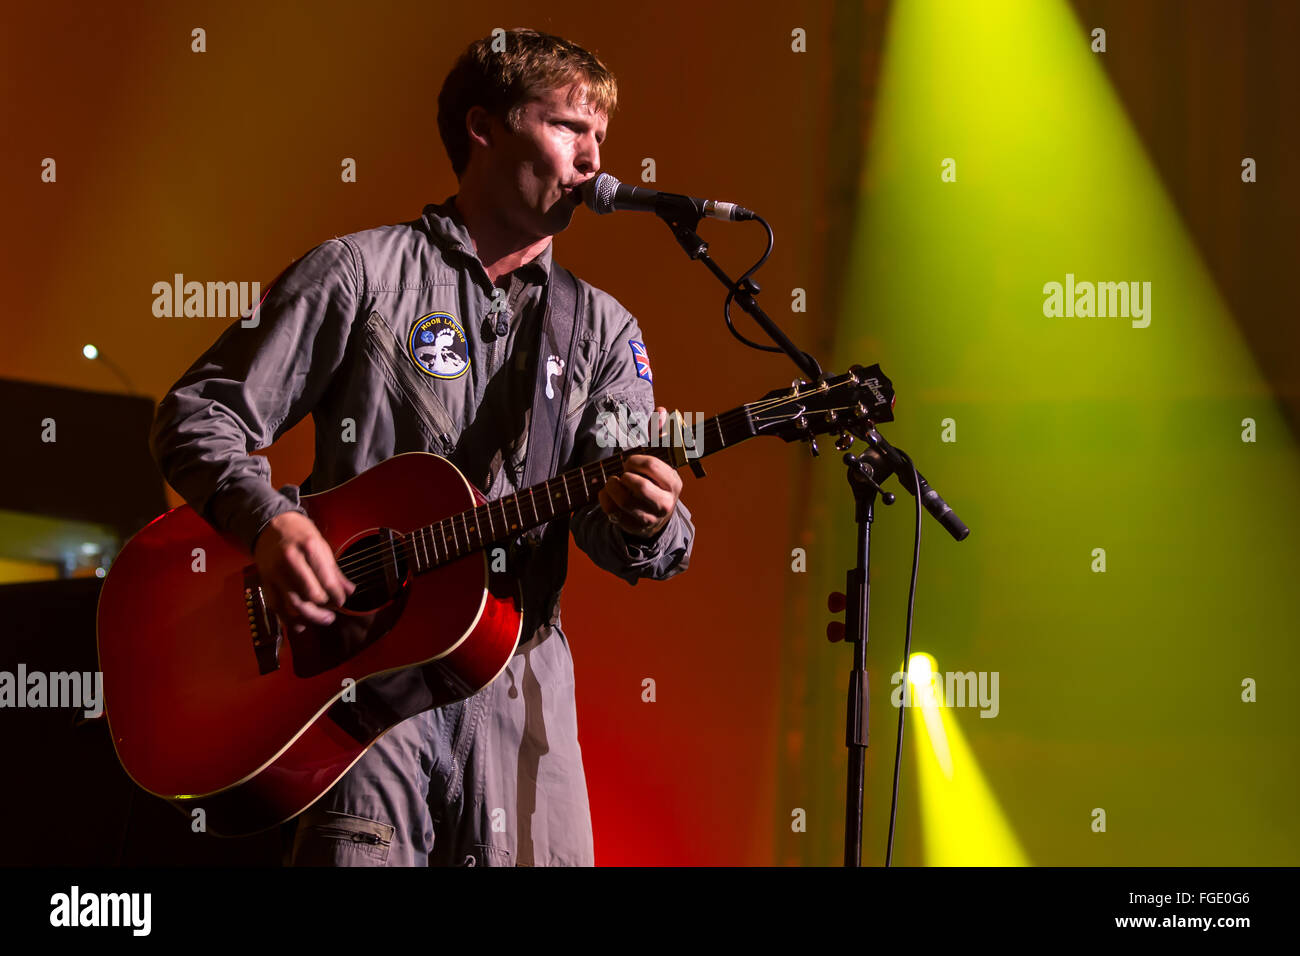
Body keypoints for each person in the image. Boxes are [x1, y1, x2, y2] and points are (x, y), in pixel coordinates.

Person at [148, 28, 695, 866]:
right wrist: (267, 523)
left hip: (524, 694)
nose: (593, 159)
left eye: (601, 138)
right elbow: (198, 414)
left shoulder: (604, 330)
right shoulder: (359, 273)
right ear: (484, 127)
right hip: (365, 693)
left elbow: (613, 526)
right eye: (568, 128)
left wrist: (648, 518)